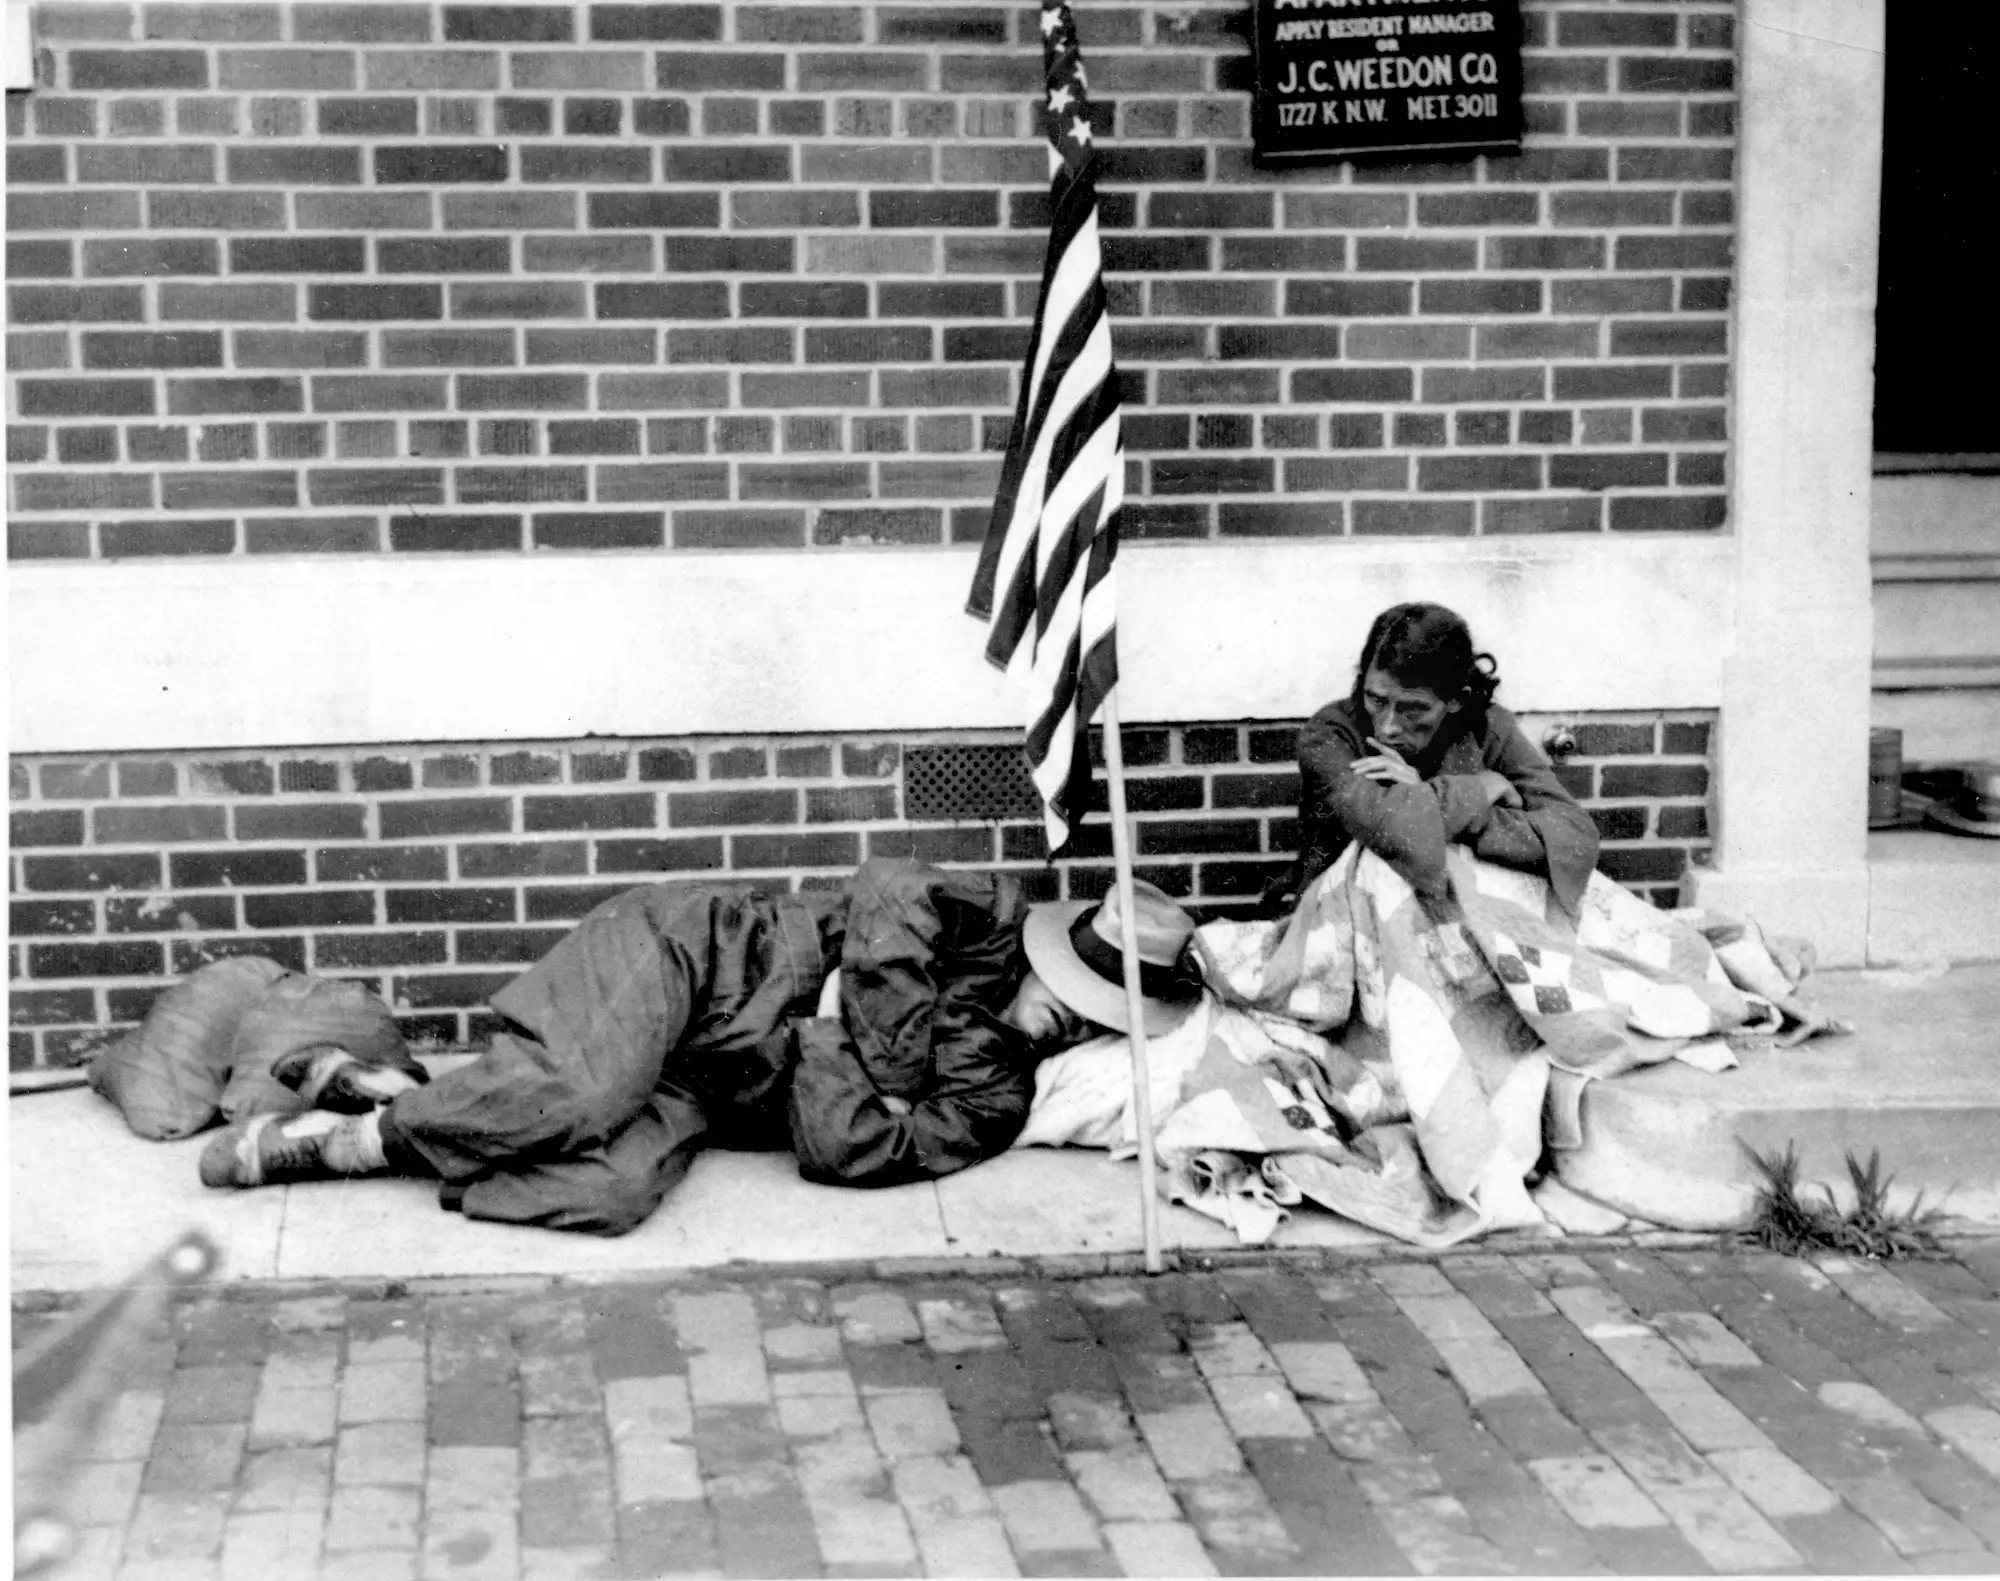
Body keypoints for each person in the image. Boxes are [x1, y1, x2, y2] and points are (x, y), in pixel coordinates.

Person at [197, 857, 1203, 1236]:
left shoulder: (993, 1100)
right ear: (1053, 948)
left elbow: (845, 1151)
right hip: (697, 957)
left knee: (606, 1195)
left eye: (1099, 1019)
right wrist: (885, 1064)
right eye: (1076, 989)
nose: (1072, 1019)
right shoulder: (986, 914)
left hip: (718, 1085)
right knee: (583, 1097)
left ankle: (386, 1094)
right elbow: (887, 893)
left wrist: (831, 1029)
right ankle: (343, 1145)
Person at [1276, 601, 1599, 914]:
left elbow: (1573, 838)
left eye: (1413, 709)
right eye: (1376, 700)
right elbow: (1394, 833)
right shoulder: (1330, 733)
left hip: (1472, 918)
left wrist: (1440, 802)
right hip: (1343, 918)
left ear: (1457, 699)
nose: (1388, 727)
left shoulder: (1489, 729)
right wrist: (1482, 788)